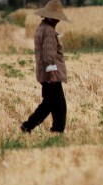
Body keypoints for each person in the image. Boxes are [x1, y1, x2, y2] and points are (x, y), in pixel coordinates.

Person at [20, 0, 70, 134]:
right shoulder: (48, 30)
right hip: (50, 75)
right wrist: (52, 75)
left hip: (45, 73)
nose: (58, 21)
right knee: (54, 105)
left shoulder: (42, 27)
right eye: (57, 18)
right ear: (51, 17)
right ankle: (29, 126)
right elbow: (48, 54)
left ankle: (54, 130)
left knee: (54, 104)